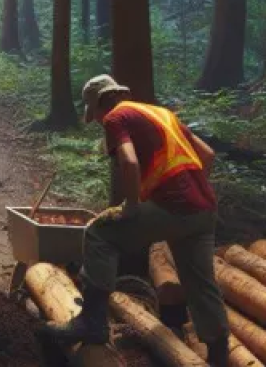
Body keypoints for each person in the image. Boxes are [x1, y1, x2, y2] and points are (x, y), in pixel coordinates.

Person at [40, 75, 229, 366]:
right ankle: (219, 355)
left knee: (99, 233)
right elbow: (208, 155)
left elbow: (129, 161)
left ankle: (92, 322)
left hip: (174, 206)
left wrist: (130, 205)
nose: (99, 120)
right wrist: (188, 187)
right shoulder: (162, 113)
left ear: (103, 101)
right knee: (201, 283)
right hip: (204, 210)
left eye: (95, 112)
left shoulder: (117, 117)